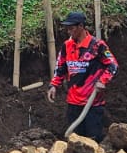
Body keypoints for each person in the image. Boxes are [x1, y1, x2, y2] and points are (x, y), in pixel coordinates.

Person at [47, 10, 118, 140]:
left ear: (81, 26)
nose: (68, 31)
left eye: (71, 28)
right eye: (67, 28)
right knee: (75, 141)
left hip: (93, 104)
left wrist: (103, 81)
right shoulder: (67, 46)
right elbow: (61, 67)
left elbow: (113, 64)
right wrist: (54, 85)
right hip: (73, 103)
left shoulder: (97, 45)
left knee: (93, 140)